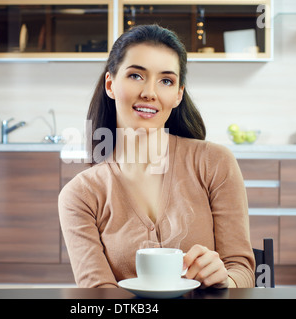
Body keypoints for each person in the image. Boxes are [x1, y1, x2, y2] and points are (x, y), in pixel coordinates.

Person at [58, 24, 255, 289]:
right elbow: (99, 294)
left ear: (178, 94)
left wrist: (224, 280)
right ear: (110, 84)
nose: (150, 92)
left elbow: (242, 270)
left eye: (166, 81)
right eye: (136, 76)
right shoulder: (80, 196)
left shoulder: (215, 163)